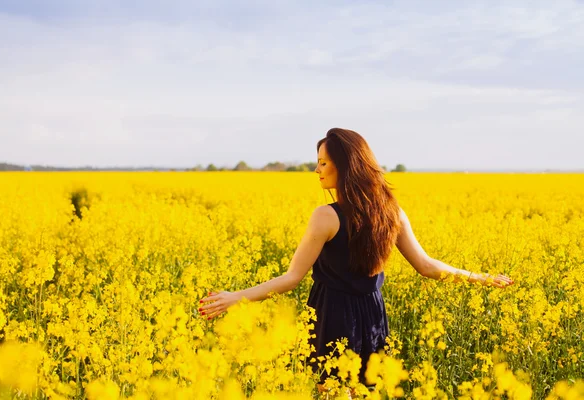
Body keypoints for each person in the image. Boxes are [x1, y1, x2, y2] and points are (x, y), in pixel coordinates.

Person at [198, 128, 514, 397]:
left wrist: (234, 298)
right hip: (373, 314)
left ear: (345, 166)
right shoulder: (391, 213)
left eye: (323, 163)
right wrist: (482, 278)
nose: (317, 170)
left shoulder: (326, 216)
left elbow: (292, 278)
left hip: (333, 314)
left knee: (335, 392)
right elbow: (428, 267)